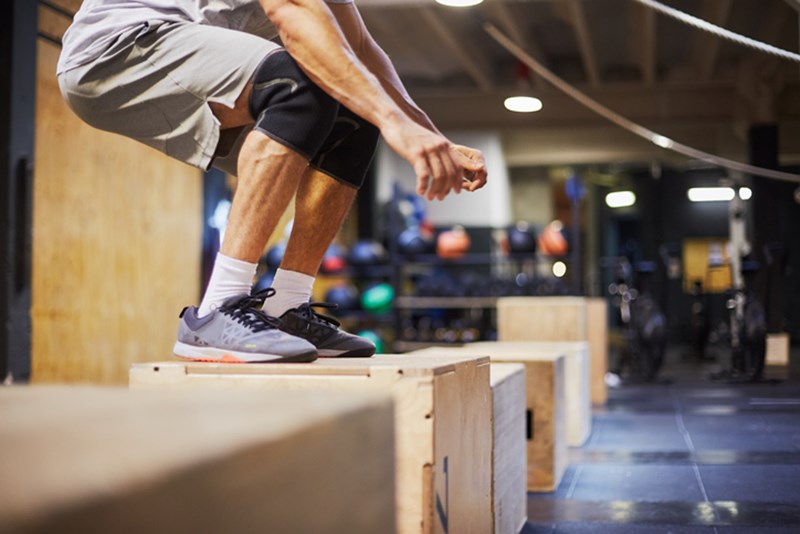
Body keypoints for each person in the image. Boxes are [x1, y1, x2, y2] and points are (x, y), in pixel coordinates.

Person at [57, 0, 488, 364]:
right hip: (116, 48)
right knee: (300, 83)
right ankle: (218, 309)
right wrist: (398, 125)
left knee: (355, 116)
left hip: (177, 52)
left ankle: (286, 305)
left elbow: (360, 49)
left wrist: (428, 135)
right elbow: (292, 17)